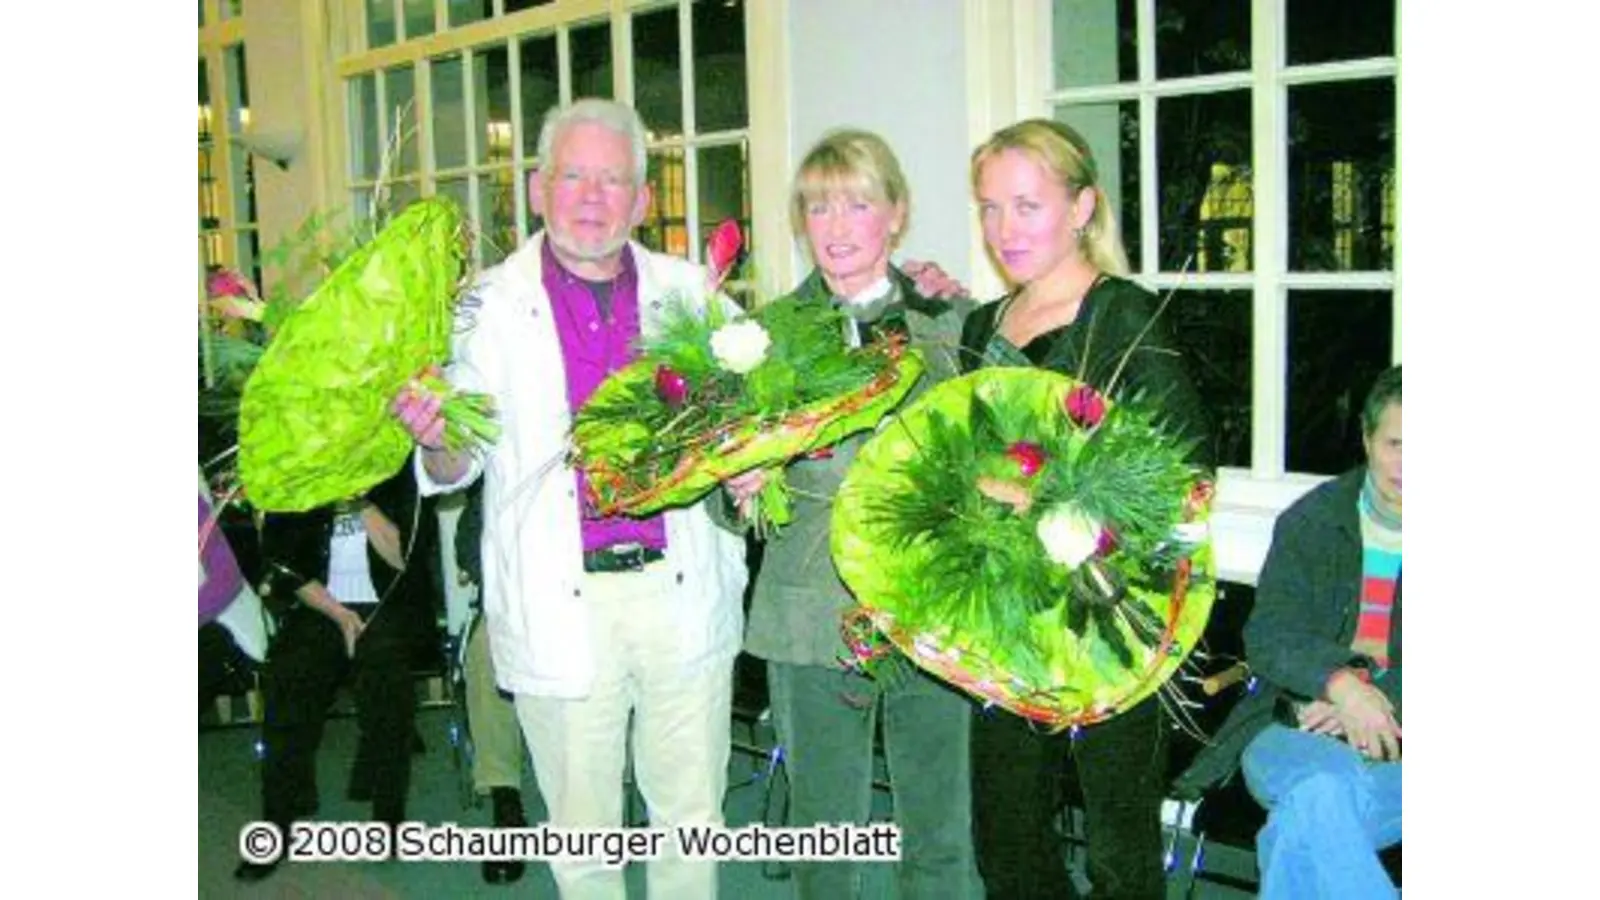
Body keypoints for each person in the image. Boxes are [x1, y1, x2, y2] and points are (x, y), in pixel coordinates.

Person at [391, 97, 750, 900]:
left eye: (613, 180)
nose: (592, 197)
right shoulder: (480, 309)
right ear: (536, 187)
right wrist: (435, 436)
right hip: (562, 600)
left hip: (679, 589)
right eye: (573, 176)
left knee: (692, 819)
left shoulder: (695, 294)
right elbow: (454, 467)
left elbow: (748, 422)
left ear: (643, 199)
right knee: (583, 840)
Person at [957, 118, 1211, 900]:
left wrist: (1047, 498)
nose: (1005, 229)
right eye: (990, 207)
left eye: (1027, 205)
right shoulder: (982, 326)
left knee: (1118, 851)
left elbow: (1185, 475)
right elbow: (962, 460)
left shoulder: (1123, 316)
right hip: (1006, 618)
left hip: (1113, 617)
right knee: (1007, 839)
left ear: (1082, 207)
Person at [731, 128, 983, 899]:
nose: (836, 227)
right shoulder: (761, 338)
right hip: (810, 614)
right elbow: (720, 499)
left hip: (930, 609)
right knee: (827, 837)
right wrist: (738, 488)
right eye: (818, 207)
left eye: (858, 204)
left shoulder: (955, 321)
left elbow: (1009, 451)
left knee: (940, 832)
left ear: (896, 214)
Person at [1174, 366, 1401, 899]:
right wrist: (1340, 686)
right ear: (1366, 439)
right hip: (1292, 727)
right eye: (1397, 444)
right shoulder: (1312, 521)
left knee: (1307, 817)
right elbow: (1269, 635)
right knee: (1319, 793)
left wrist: (1371, 700)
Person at [233, 462, 439, 882]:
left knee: (385, 677)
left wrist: (359, 501)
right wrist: (339, 614)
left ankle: (388, 814)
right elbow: (287, 566)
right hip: (322, 606)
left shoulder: (398, 469)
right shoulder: (303, 466)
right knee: (290, 677)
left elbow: (403, 557)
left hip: (387, 602)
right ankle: (278, 821)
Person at [455, 480, 534, 885]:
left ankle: (605, 802)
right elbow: (468, 546)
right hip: (510, 602)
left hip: (586, 601)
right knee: (485, 652)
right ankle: (506, 800)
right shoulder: (495, 471)